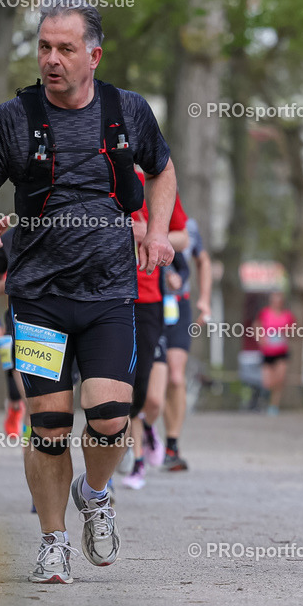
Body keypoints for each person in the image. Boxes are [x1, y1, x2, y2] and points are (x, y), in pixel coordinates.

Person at [0, 0, 177, 584]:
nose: (51, 59)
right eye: (44, 47)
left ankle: (96, 492)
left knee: (109, 415)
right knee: (50, 427)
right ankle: (52, 541)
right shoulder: (14, 117)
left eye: (65, 48)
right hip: (38, 296)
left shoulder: (128, 111)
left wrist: (159, 231)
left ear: (94, 55)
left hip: (109, 291)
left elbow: (162, 170)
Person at [121, 191, 188, 490]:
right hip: (113, 297)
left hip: (152, 302)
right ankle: (137, 462)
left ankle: (149, 428)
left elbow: (183, 239)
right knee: (129, 387)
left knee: (154, 399)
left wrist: (151, 234)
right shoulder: (100, 179)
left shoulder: (158, 187)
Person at [159, 217, 211, 471]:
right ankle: (142, 431)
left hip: (179, 305)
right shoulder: (137, 215)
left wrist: (205, 300)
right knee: (149, 381)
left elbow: (203, 261)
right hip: (145, 304)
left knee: (176, 376)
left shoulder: (189, 225)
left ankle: (172, 445)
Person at [0, 227, 26, 438]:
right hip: (12, 317)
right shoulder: (10, 241)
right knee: (11, 365)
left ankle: (29, 422)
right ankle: (15, 407)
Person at [254, 291, 295, 415]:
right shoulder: (265, 313)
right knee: (267, 382)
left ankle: (274, 406)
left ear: (282, 302)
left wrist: (286, 334)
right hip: (267, 352)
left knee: (280, 380)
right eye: (274, 300)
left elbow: (293, 330)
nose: (276, 303)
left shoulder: (287, 315)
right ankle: (263, 401)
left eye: (278, 300)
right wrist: (260, 338)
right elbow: (256, 325)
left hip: (281, 351)